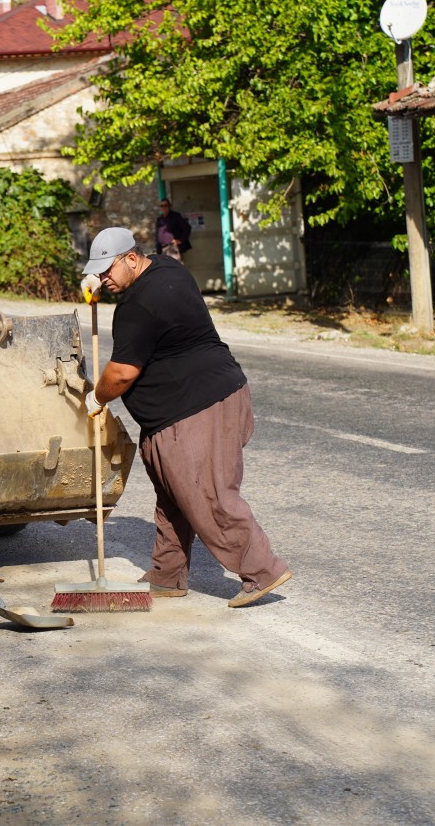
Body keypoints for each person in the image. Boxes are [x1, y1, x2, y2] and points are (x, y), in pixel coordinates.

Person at [81, 227, 291, 607]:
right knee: (174, 497)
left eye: (107, 270)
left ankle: (262, 570)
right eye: (99, 273)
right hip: (211, 399)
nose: (104, 279)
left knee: (208, 496)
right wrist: (98, 284)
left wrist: (97, 397)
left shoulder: (137, 307)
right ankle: (168, 575)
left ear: (131, 258)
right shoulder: (167, 269)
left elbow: (122, 373)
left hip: (194, 411)